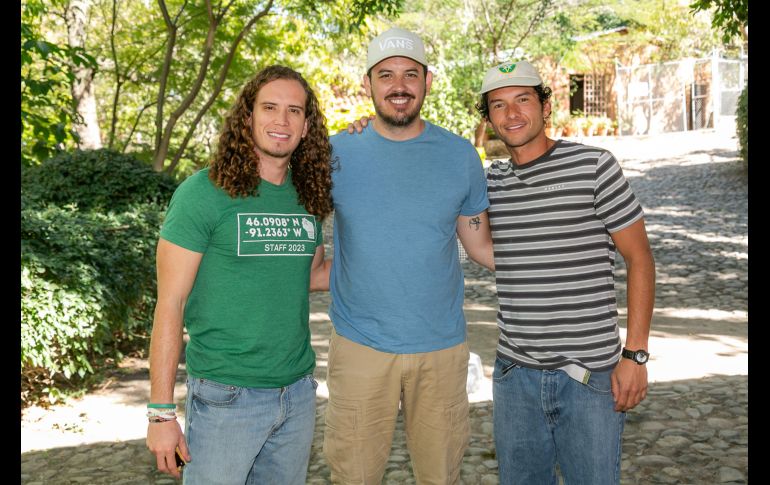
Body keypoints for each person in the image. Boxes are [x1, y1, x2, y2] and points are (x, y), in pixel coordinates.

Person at [145, 65, 333, 484]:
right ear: (247, 118)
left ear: (307, 127)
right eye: (269, 107)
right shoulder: (203, 193)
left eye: (294, 111)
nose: (281, 121)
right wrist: (160, 412)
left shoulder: (306, 195)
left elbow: (313, 274)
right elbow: (169, 304)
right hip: (226, 397)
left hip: (297, 394)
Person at [324, 27, 494, 484]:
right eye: (386, 75)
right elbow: (288, 221)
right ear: (367, 84)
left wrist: (560, 252)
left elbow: (480, 246)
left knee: (442, 476)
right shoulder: (335, 153)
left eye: (409, 75)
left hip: (441, 349)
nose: (398, 86)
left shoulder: (460, 156)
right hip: (360, 347)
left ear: (427, 81)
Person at [476, 60, 656, 484]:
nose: (512, 113)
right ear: (488, 119)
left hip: (591, 379)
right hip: (514, 377)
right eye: (498, 106)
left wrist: (635, 354)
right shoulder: (491, 184)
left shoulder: (594, 166)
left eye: (523, 100)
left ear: (545, 105)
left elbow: (640, 258)